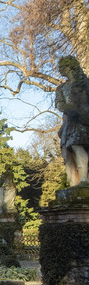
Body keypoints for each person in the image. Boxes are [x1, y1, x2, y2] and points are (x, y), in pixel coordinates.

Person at [55, 55, 89, 186]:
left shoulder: (85, 84)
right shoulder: (61, 88)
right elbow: (59, 104)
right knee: (68, 151)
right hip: (70, 121)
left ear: (70, 67)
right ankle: (75, 183)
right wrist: (71, 109)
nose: (59, 69)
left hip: (83, 119)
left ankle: (84, 179)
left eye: (61, 66)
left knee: (77, 145)